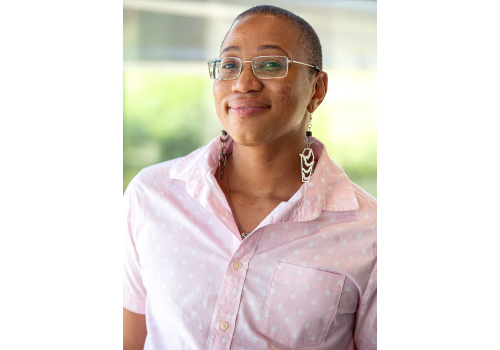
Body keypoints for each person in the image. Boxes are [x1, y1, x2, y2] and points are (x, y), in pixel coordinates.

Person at [123, 5, 376, 350]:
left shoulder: (370, 233)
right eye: (229, 65)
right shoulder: (151, 196)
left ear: (316, 89)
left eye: (271, 64)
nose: (243, 83)